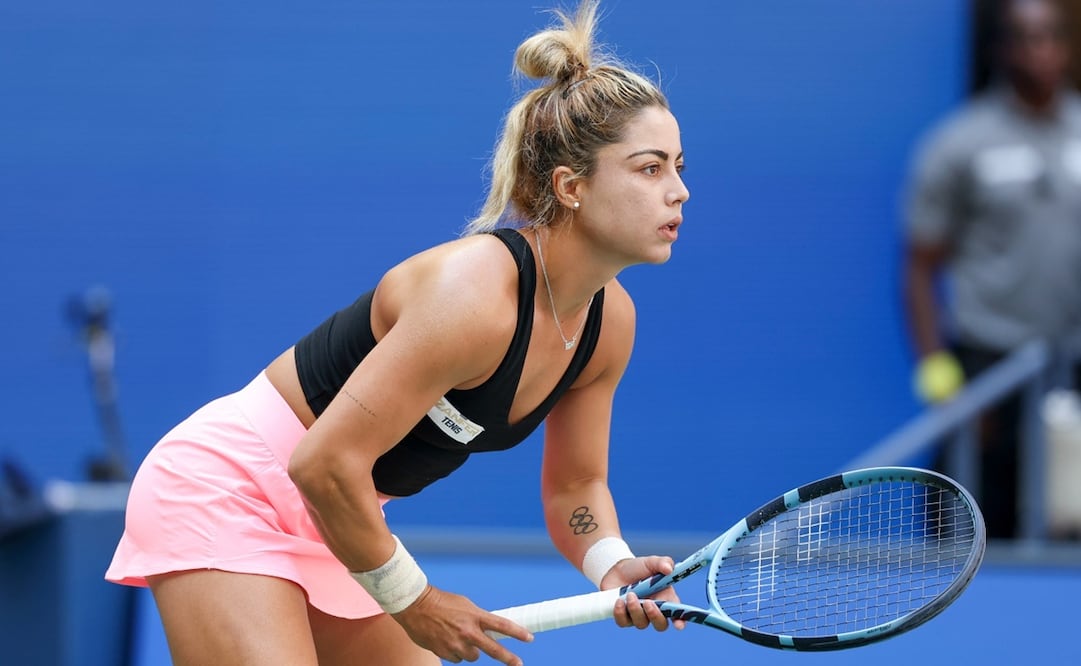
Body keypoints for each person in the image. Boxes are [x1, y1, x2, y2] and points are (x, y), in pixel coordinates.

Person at [105, 1, 691, 664]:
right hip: (230, 489)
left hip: (339, 515)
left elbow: (574, 486)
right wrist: (414, 601)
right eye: (649, 168)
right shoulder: (472, 295)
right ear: (570, 186)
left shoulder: (610, 323)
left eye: (678, 166)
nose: (678, 191)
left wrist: (610, 562)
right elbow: (321, 463)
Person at [903, 0, 1081, 539]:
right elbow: (919, 266)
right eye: (1025, 38)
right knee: (972, 527)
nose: (1039, 50)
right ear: (1003, 49)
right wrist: (940, 375)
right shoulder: (961, 143)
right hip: (991, 368)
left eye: (1049, 36)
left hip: (1072, 364)